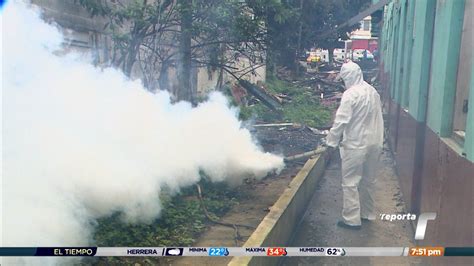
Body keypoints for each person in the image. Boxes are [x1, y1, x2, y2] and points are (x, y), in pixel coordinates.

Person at [325, 60, 384, 230]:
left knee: (350, 182)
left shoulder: (350, 94)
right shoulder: (373, 92)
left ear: (348, 77)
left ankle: (351, 220)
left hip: (356, 144)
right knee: (368, 180)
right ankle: (367, 214)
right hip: (375, 143)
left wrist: (331, 142)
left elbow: (341, 121)